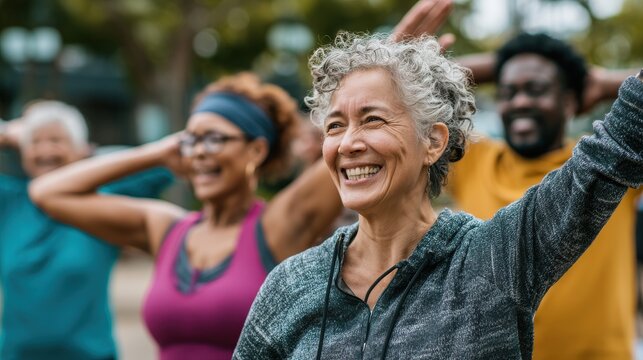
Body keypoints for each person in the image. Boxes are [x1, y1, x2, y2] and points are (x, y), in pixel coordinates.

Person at [233, 32, 643, 359]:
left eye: (372, 119)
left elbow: (613, 149)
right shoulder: (291, 286)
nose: (348, 143)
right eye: (335, 126)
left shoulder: (493, 259)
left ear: (433, 141)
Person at [28, 73, 344, 359]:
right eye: (191, 139)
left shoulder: (278, 226)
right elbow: (47, 192)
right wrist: (157, 153)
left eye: (215, 138)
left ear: (256, 151)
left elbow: (353, 131)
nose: (199, 151)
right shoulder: (166, 228)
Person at [449, 33, 643, 359]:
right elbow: (419, 89)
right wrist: (508, 59)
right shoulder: (471, 160)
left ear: (569, 101)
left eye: (536, 90)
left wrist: (600, 81)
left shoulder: (608, 160)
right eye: (508, 93)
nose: (520, 102)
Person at [0, 101, 173, 360]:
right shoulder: (9, 202)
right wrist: (8, 134)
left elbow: (163, 167)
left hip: (90, 355)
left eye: (57, 140)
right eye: (35, 142)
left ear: (83, 150)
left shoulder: (100, 202)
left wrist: (91, 160)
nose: (45, 149)